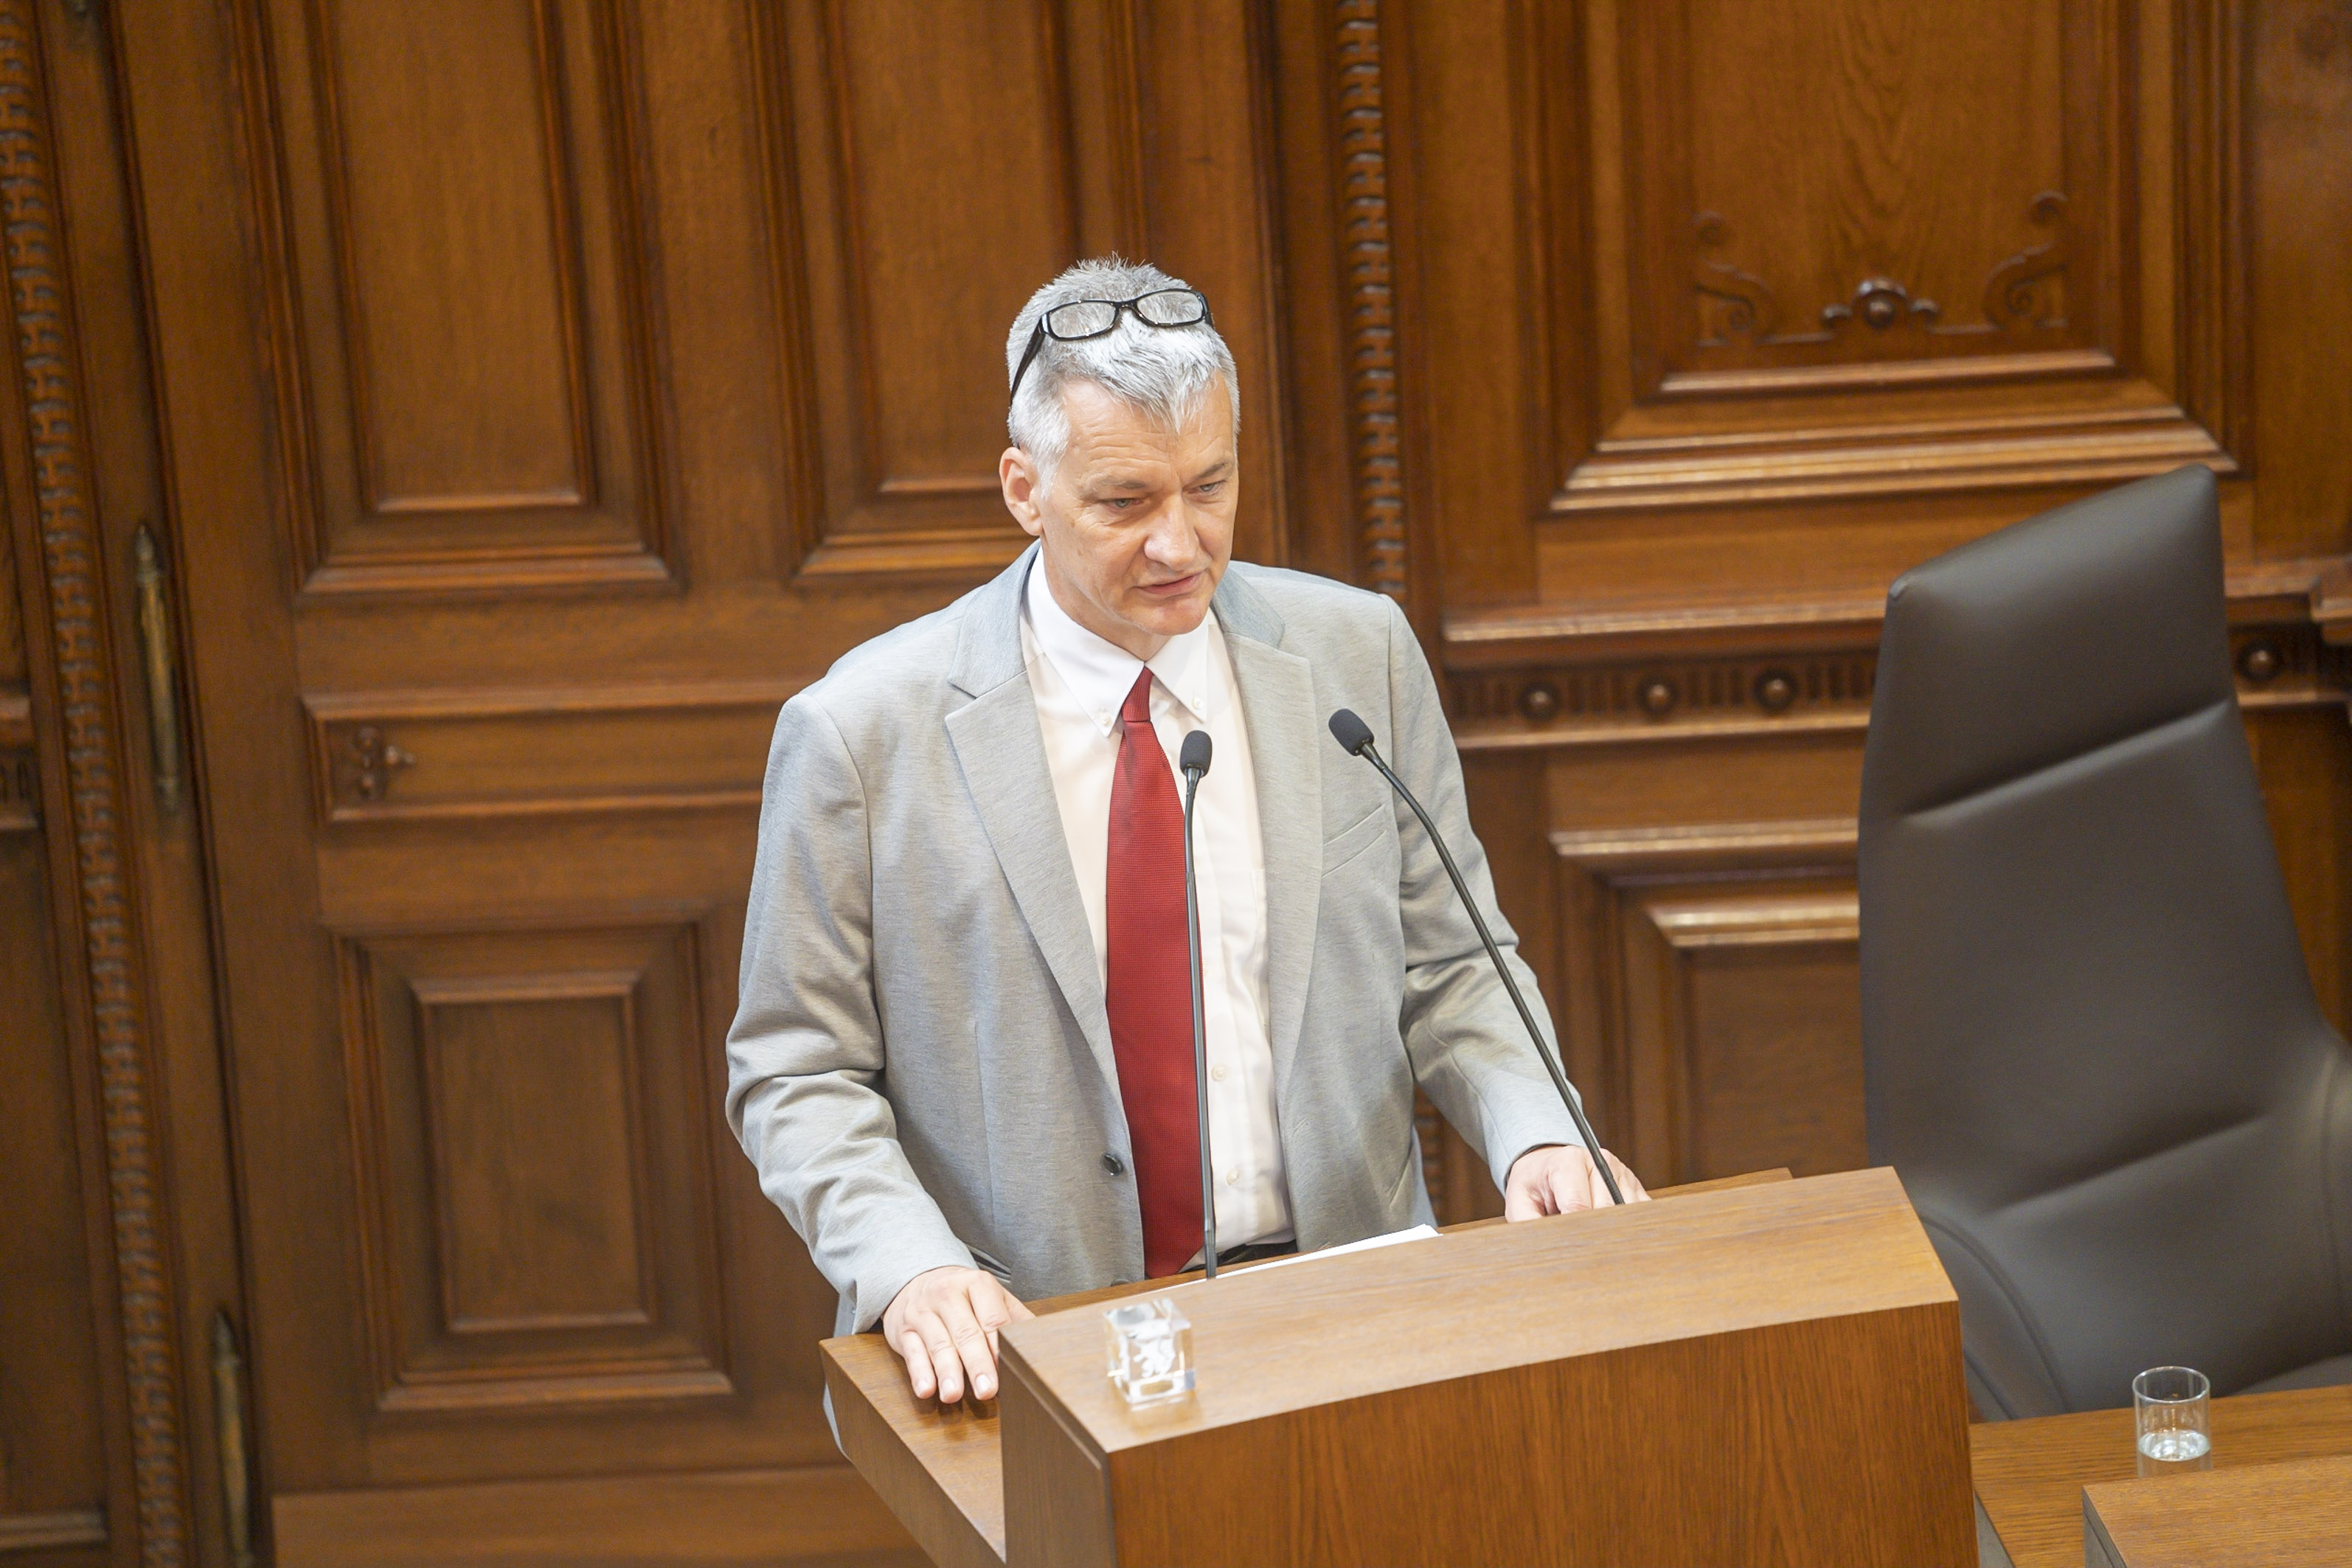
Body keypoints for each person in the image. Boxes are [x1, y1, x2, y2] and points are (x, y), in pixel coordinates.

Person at [726, 257, 1646, 1409]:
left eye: (1208, 486)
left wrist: (1538, 1132)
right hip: (1037, 1345)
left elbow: (1453, 961)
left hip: (1349, 1316)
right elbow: (794, 1070)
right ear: (1024, 487)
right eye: (1124, 501)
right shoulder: (863, 733)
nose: (1180, 543)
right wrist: (910, 1264)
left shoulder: (1356, 656)